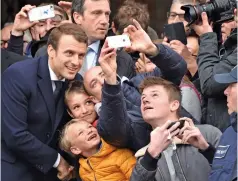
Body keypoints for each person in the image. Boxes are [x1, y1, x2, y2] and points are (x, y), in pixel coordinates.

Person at [85, 19, 203, 152]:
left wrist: (152, 49)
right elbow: (116, 133)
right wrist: (110, 80)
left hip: (197, 145)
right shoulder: (105, 122)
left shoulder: (142, 81)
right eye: (94, 84)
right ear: (93, 98)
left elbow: (177, 69)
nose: (102, 82)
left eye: (102, 75)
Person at [2, 23, 87, 181]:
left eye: (81, 55)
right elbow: (16, 135)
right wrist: (57, 161)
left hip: (53, 175)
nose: (76, 62)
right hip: (16, 170)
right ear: (51, 51)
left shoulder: (76, 81)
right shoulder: (19, 75)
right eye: (69, 53)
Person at [129, 76, 221, 181]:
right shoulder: (145, 155)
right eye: (143, 98)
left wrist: (207, 149)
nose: (145, 100)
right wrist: (151, 156)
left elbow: (231, 172)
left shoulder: (209, 134)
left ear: (174, 105)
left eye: (154, 95)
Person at [180, 66, 237, 181]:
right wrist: (206, 148)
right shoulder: (230, 132)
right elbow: (225, 171)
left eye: (232, 85)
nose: (225, 91)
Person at [192, 11, 237, 131]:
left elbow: (210, 84)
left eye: (229, 18)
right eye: (220, 19)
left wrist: (207, 37)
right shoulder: (226, 48)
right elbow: (202, 86)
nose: (222, 23)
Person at [70, 0, 136, 78]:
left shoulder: (122, 59)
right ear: (77, 17)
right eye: (96, 13)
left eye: (107, 14)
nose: (104, 21)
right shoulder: (57, 49)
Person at [60, 120, 136, 181]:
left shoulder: (121, 155)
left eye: (90, 126)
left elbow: (138, 177)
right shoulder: (83, 170)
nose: (89, 131)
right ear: (76, 150)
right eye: (81, 133)